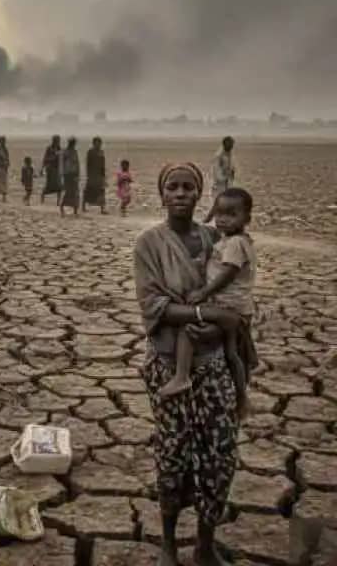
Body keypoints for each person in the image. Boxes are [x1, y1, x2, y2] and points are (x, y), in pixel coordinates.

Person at [134, 163, 245, 566]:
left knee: (218, 453)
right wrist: (208, 317)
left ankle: (204, 544)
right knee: (173, 452)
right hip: (168, 366)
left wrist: (220, 330)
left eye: (188, 187)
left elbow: (236, 296)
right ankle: (167, 544)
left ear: (200, 195)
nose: (180, 193)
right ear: (161, 194)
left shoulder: (217, 238)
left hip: (213, 366)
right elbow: (154, 307)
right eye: (172, 187)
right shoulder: (148, 244)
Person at [160, 187, 258, 416]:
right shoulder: (237, 240)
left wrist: (203, 292)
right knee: (233, 353)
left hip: (227, 307)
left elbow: (227, 274)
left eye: (231, 214)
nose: (223, 219)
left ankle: (181, 376)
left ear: (247, 218)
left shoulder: (234, 244)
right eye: (219, 213)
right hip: (238, 307)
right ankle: (242, 397)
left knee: (189, 324)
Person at [205, 136, 236, 223]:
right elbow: (217, 172)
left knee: (225, 205)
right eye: (230, 145)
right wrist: (225, 177)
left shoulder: (229, 155)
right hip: (219, 185)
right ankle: (207, 222)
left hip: (227, 184)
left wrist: (231, 175)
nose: (232, 147)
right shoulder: (219, 156)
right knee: (218, 205)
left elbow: (232, 169)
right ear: (225, 144)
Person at [83, 137, 107, 214]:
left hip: (99, 175)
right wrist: (88, 174)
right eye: (97, 143)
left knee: (101, 191)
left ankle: (102, 209)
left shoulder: (101, 152)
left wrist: (103, 176)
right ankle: (83, 206)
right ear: (94, 143)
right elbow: (88, 163)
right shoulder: (90, 151)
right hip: (92, 175)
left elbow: (103, 164)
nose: (99, 144)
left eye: (100, 143)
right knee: (88, 191)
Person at [60, 137, 80, 217]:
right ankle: (62, 207)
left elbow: (77, 163)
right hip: (67, 175)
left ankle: (75, 210)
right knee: (68, 192)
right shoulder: (65, 152)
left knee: (75, 192)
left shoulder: (75, 152)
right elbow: (62, 164)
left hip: (73, 174)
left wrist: (78, 174)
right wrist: (63, 174)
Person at [41, 135, 62, 204]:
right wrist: (42, 168)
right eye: (56, 140)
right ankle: (42, 199)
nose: (58, 142)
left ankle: (58, 202)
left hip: (57, 170)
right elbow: (45, 159)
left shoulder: (59, 149)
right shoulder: (49, 148)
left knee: (59, 187)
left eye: (58, 140)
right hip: (50, 170)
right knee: (49, 186)